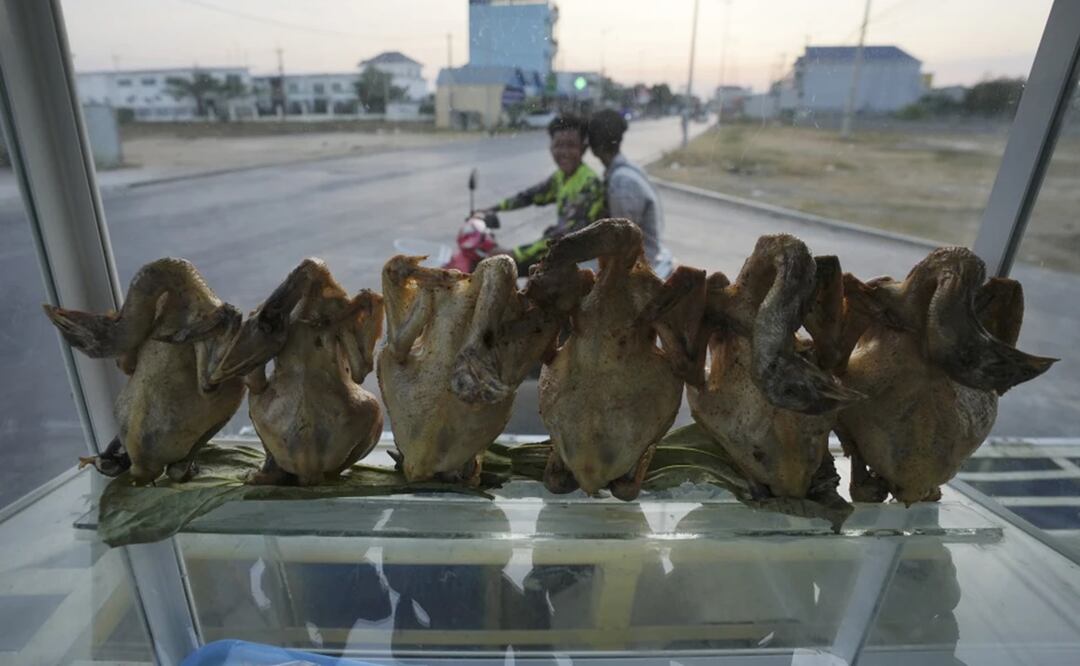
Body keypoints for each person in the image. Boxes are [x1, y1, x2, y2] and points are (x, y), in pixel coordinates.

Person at [482, 114, 605, 275]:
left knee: (503, 271)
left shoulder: (588, 184)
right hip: (560, 254)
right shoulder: (561, 177)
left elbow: (565, 236)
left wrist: (515, 253)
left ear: (582, 149)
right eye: (558, 145)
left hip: (581, 266)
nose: (564, 152)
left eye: (571, 145)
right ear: (551, 147)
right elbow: (529, 196)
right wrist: (492, 209)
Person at [587, 109, 674, 278]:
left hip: (642, 266)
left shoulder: (621, 182)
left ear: (594, 146)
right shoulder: (626, 171)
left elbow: (623, 241)